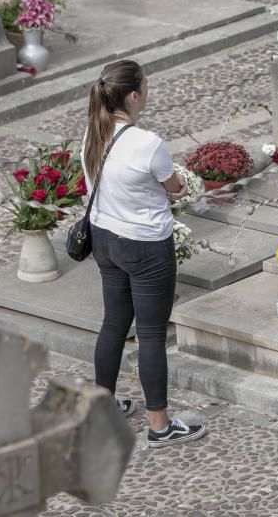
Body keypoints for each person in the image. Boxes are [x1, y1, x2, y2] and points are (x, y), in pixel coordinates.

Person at [81, 60, 207, 448]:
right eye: (146, 86)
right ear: (134, 96)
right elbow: (176, 188)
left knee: (113, 323)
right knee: (151, 333)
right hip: (146, 245)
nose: (148, 92)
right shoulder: (148, 143)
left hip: (105, 239)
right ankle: (159, 425)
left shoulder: (91, 134)